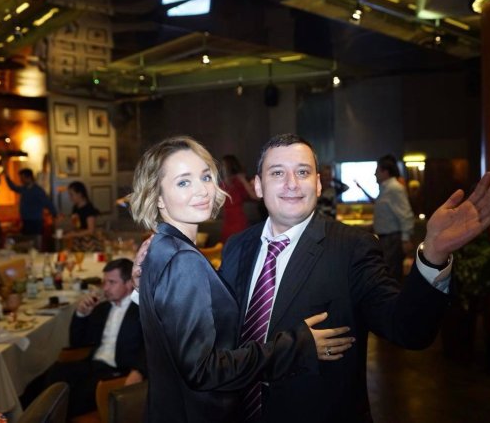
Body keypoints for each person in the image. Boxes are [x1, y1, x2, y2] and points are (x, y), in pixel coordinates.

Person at [217, 134, 490, 423]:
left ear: (317, 184)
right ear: (258, 185)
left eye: (302, 172)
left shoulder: (351, 247)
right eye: (278, 173)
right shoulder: (236, 247)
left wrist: (433, 254)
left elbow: (407, 328)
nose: (292, 183)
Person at [129, 136, 354, 423]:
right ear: (158, 197)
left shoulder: (160, 247)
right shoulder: (183, 260)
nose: (202, 190)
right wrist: (294, 346)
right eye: (183, 182)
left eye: (205, 177)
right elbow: (203, 371)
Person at [46, 258, 146, 417]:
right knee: (51, 376)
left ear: (129, 283)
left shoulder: (143, 310)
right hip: (93, 364)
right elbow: (78, 343)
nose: (105, 288)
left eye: (112, 282)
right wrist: (81, 315)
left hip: (118, 371)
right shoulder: (102, 309)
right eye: (104, 282)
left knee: (72, 398)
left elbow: (153, 345)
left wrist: (139, 371)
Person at [355, 154, 415, 280]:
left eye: (377, 171)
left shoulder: (394, 188)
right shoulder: (385, 188)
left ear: (385, 172)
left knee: (391, 274)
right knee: (389, 272)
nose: (375, 174)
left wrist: (405, 239)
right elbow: (379, 204)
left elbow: (405, 215)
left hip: (392, 239)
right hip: (387, 239)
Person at [4, 168, 57, 249]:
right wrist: (7, 177)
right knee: (26, 242)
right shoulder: (24, 189)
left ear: (28, 177)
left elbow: (48, 203)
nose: (21, 180)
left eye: (22, 178)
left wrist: (54, 214)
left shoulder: (38, 191)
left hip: (35, 221)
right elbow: (13, 187)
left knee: (35, 243)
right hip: (25, 221)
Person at [220, 155, 259, 242]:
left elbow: (256, 197)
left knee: (238, 244)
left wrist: (243, 180)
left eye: (224, 165)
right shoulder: (222, 184)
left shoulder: (239, 182)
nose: (222, 168)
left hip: (238, 220)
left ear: (229, 167)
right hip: (227, 220)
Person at [63, 181, 102, 251]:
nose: (69, 198)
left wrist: (73, 234)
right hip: (78, 238)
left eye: (71, 195)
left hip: (88, 241)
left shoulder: (88, 209)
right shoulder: (75, 208)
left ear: (79, 194)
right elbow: (75, 225)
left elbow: (91, 230)